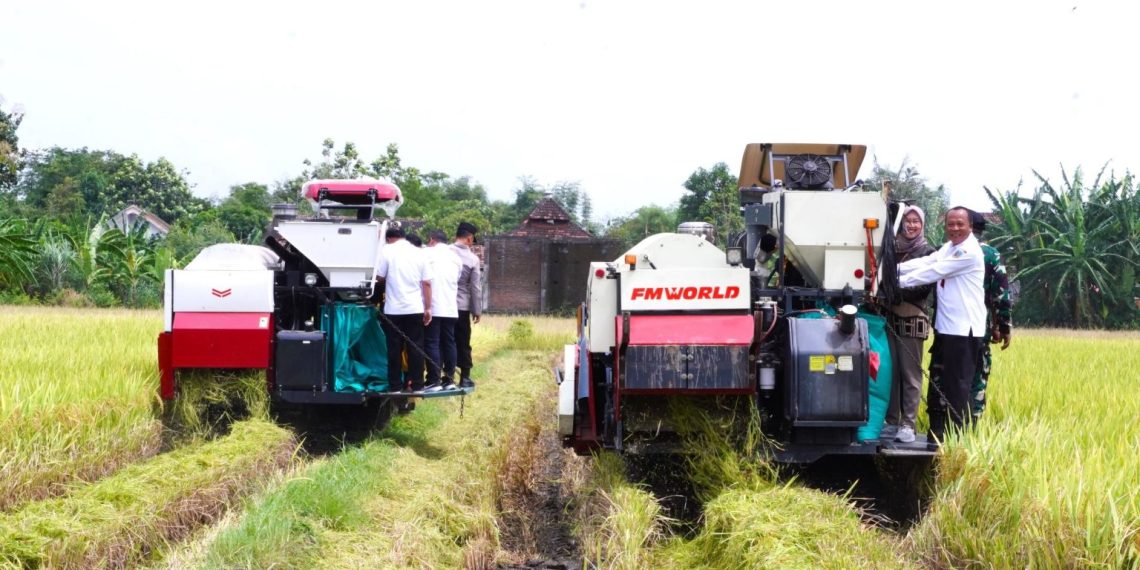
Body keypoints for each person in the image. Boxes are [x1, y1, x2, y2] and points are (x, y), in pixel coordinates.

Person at [897, 207, 986, 441]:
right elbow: (928, 260)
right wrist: (892, 269)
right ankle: (936, 439)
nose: (954, 228)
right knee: (939, 387)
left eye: (960, 224)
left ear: (970, 227)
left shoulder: (968, 252)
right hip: (946, 328)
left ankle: (958, 444)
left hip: (963, 331)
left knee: (957, 389)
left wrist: (894, 281)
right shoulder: (950, 247)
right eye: (950, 224)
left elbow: (933, 271)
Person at [881, 205, 937, 444]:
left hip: (912, 318)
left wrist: (891, 292)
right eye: (908, 220)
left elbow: (924, 287)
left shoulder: (927, 251)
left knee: (910, 374)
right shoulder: (891, 247)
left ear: (922, 225)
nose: (912, 225)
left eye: (916, 221)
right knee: (890, 372)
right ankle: (891, 421)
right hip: (888, 317)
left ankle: (908, 424)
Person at [376, 227, 433, 392]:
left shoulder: (386, 251)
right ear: (404, 236)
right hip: (415, 308)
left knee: (394, 349)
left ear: (389, 239)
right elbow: (427, 283)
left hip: (393, 310)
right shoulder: (420, 253)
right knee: (416, 347)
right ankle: (417, 385)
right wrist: (428, 308)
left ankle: (394, 385)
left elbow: (380, 277)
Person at [969, 211, 1013, 419]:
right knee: (977, 377)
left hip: (947, 328)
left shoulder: (947, 251)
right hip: (979, 327)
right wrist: (1003, 327)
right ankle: (973, 422)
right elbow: (1001, 295)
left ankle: (946, 423)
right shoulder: (991, 255)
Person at [424, 230, 462, 391]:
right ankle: (449, 379)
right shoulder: (456, 258)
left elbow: (424, 280)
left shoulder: (427, 253)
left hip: (434, 306)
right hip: (451, 307)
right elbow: (457, 279)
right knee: (449, 342)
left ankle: (434, 380)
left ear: (432, 240)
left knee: (432, 342)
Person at [450, 222, 483, 389]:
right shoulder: (472, 259)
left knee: (445, 341)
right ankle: (465, 378)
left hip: (443, 306)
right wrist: (477, 310)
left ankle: (446, 378)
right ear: (469, 239)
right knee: (463, 342)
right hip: (461, 307)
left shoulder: (445, 252)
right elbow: (475, 287)